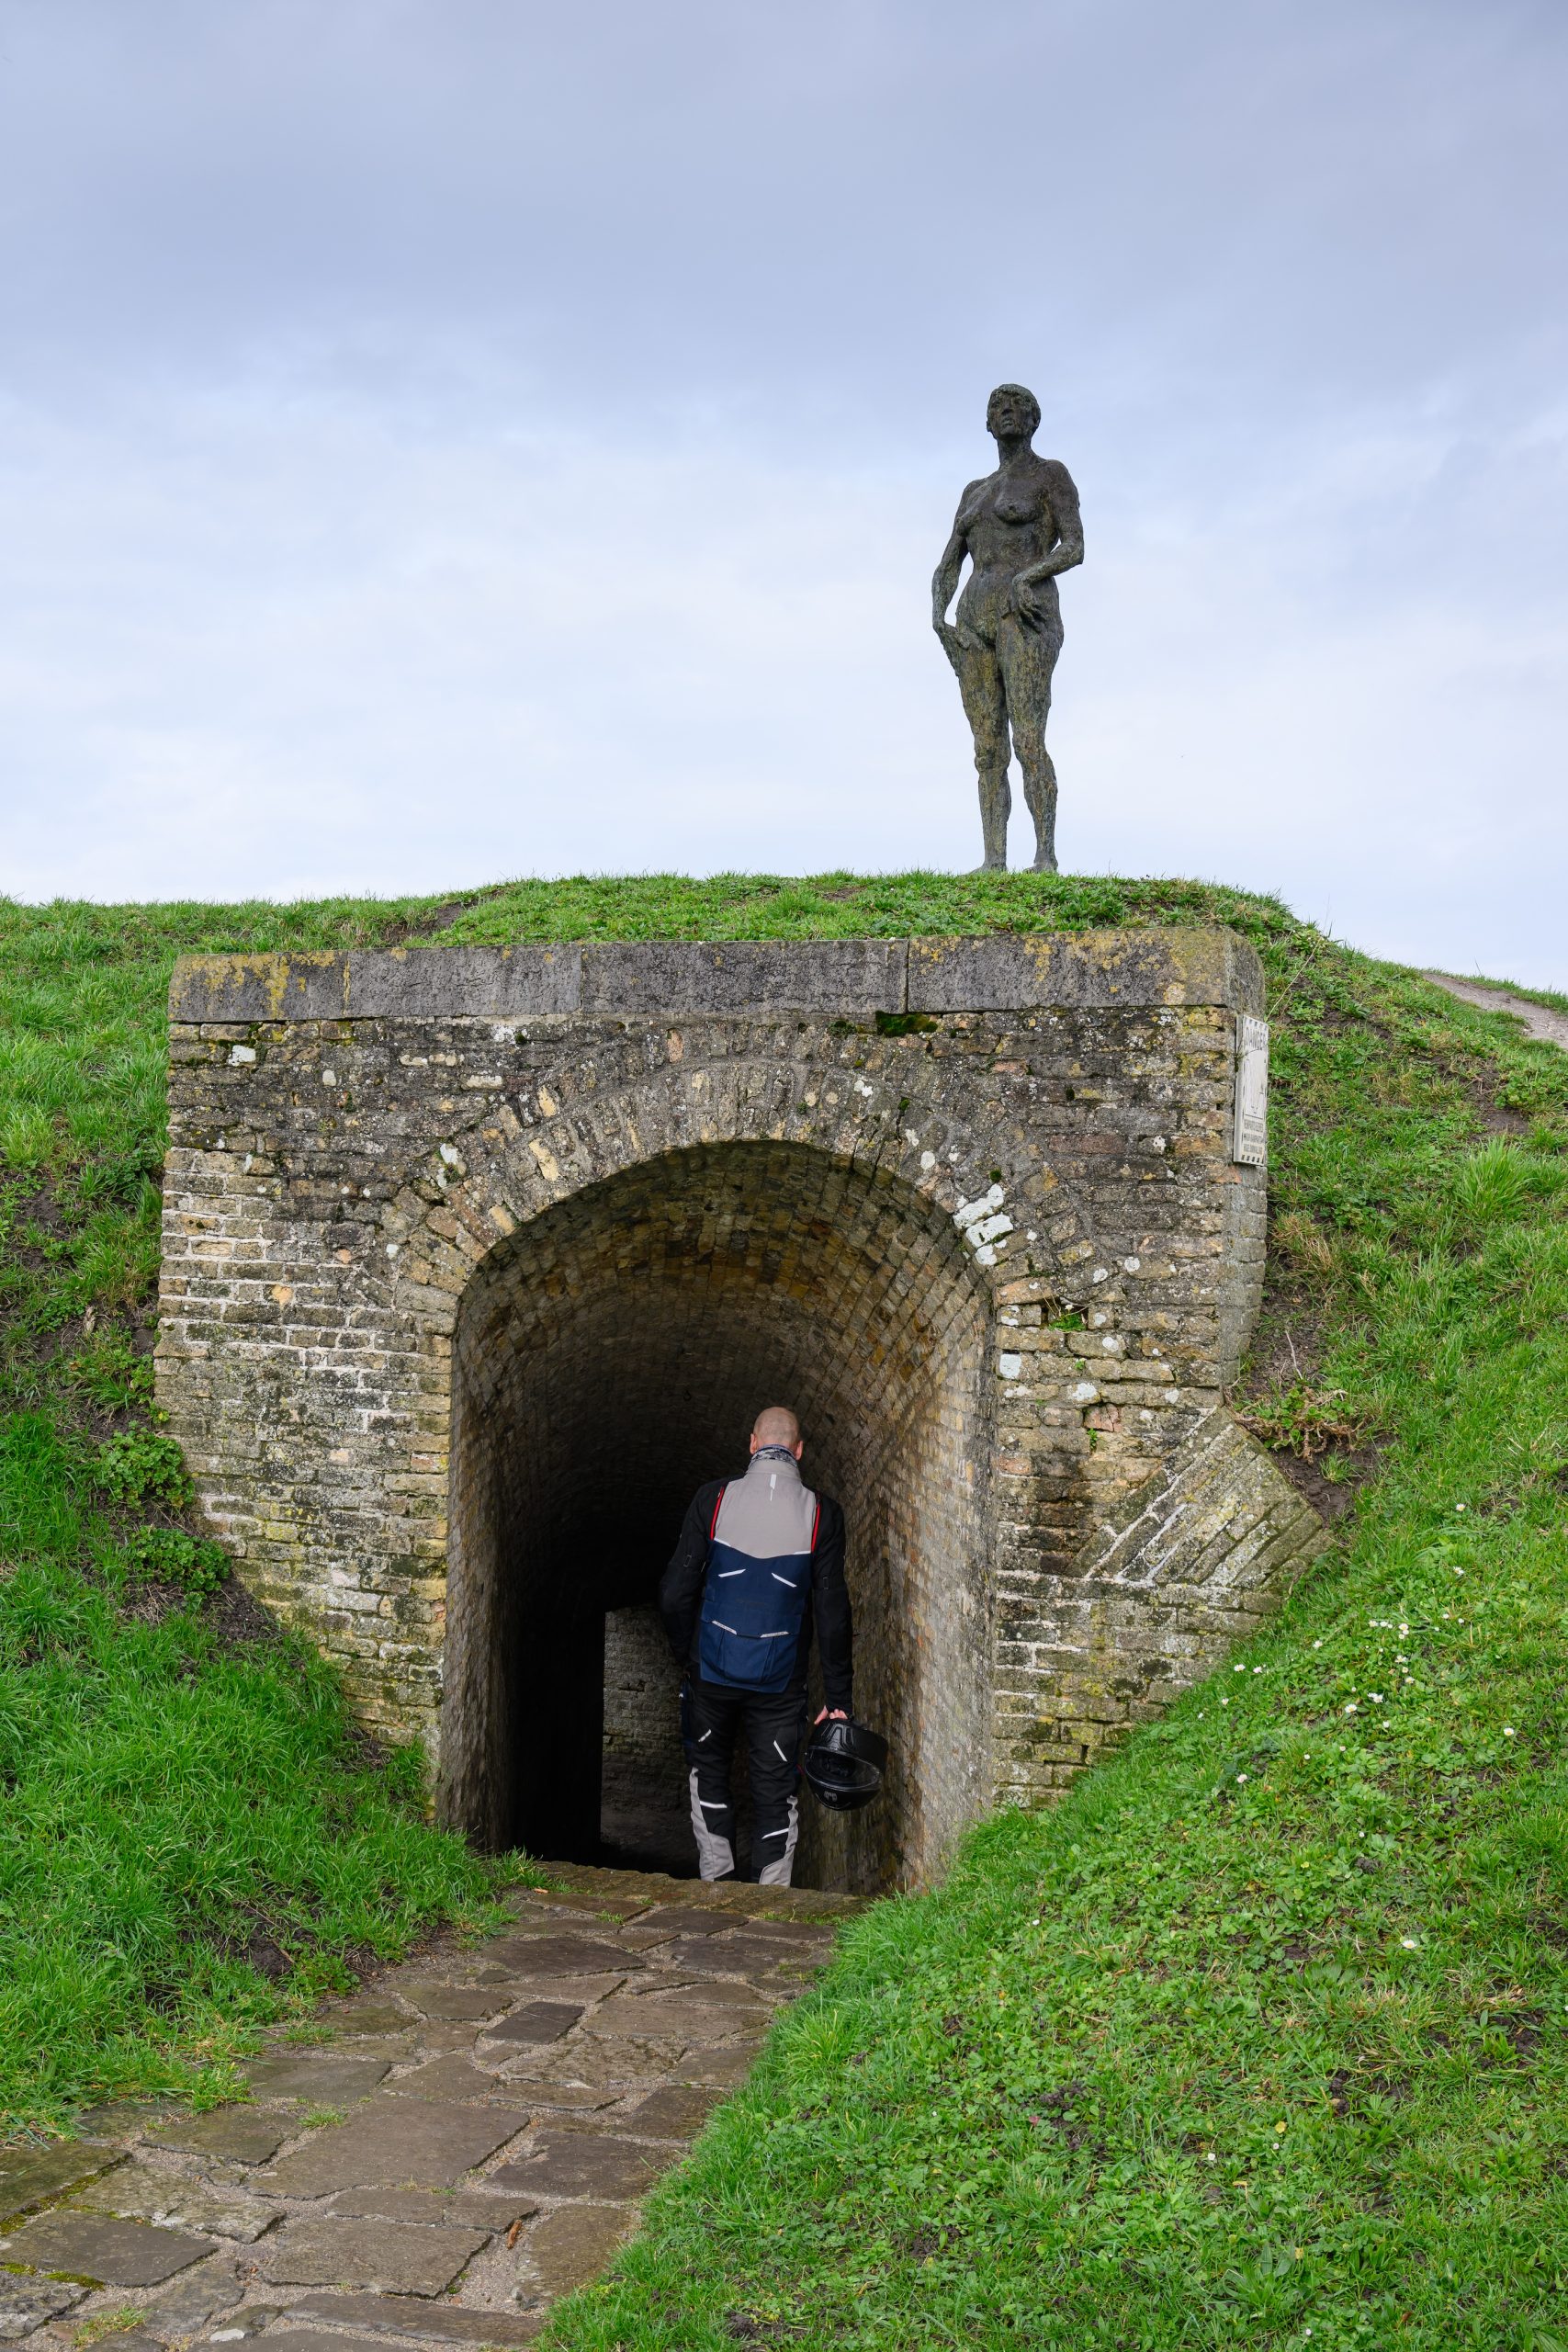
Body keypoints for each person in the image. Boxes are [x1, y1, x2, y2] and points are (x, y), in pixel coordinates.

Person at [659, 1405, 852, 1885]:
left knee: (709, 1773)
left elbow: (674, 1593)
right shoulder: (822, 1514)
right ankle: (771, 1903)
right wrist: (839, 1699)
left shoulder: (714, 1499)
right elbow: (832, 1613)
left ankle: (715, 1883)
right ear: (800, 1451)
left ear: (752, 1443)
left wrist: (687, 1655)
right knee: (775, 1791)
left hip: (711, 1677)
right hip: (780, 1686)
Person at [931, 381, 1084, 874]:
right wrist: (938, 617)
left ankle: (1045, 856)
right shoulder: (974, 492)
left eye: (1018, 405)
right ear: (987, 422)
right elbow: (949, 564)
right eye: (998, 405)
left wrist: (1029, 576)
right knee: (987, 748)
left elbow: (1074, 547)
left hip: (1026, 613)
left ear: (1034, 419)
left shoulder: (1050, 475)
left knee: (1028, 739)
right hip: (972, 618)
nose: (1007, 411)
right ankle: (993, 860)